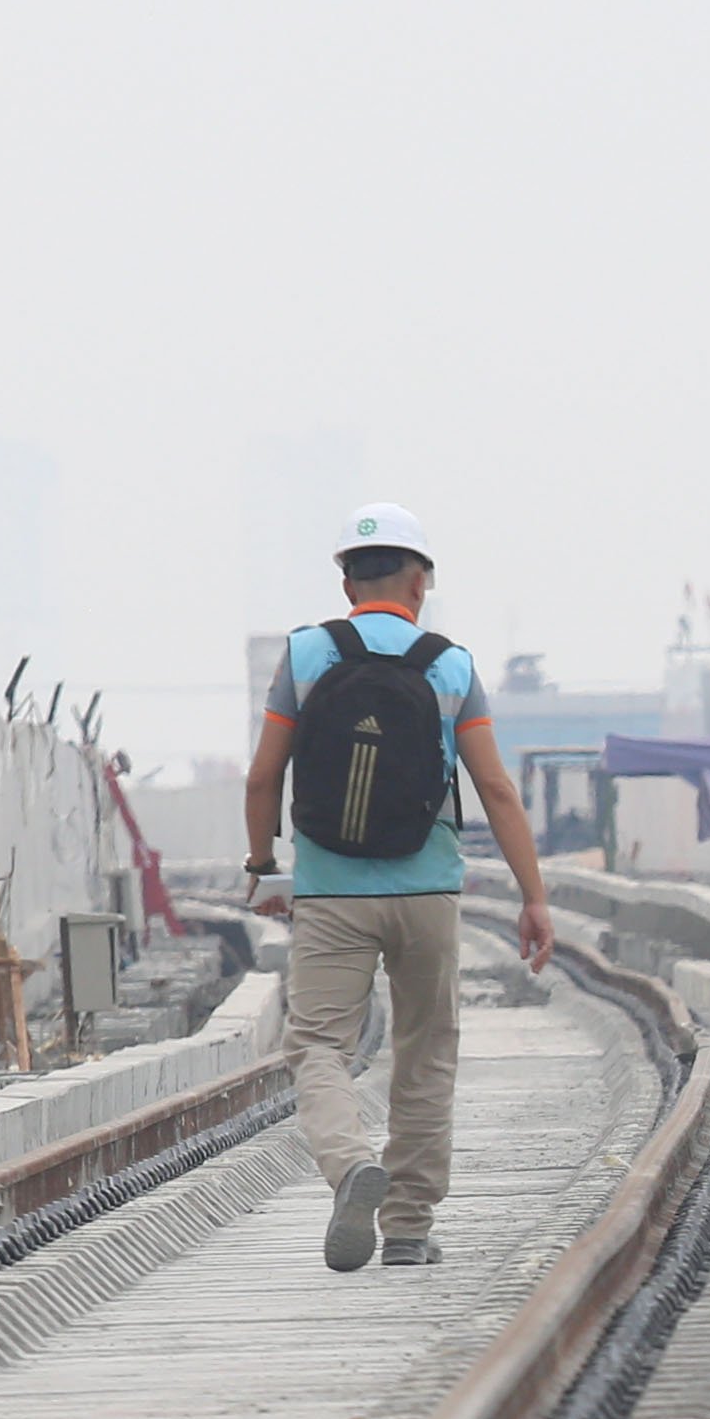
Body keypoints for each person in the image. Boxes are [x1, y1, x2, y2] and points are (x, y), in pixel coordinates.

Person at [243, 504, 554, 1274]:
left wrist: (263, 869)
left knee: (316, 1044)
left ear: (345, 579)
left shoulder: (306, 655)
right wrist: (533, 897)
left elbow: (262, 775)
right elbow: (495, 789)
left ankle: (351, 1167)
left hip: (329, 891)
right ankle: (408, 1228)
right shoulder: (450, 664)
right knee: (425, 1054)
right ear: (422, 581)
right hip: (428, 889)